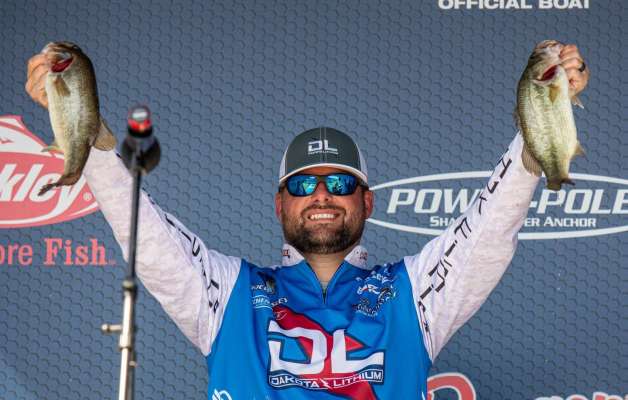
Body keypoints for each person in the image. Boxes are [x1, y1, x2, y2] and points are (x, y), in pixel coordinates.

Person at [26, 43, 589, 399]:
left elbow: (487, 233)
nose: (321, 194)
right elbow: (146, 237)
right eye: (302, 184)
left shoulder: (413, 293)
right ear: (280, 205)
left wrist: (540, 125)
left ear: (367, 202)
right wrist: (86, 133)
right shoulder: (227, 293)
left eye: (340, 183)